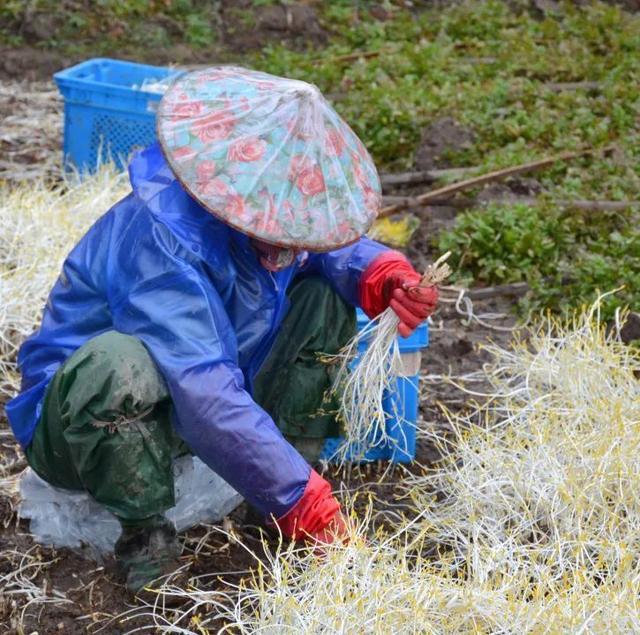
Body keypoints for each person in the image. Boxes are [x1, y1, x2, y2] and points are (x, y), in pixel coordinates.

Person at [5, 67, 438, 592]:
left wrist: (378, 273)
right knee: (119, 363)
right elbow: (202, 386)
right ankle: (144, 535)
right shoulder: (161, 239)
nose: (287, 244)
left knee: (322, 294)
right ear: (233, 194)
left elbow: (319, 246)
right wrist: (307, 503)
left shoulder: (262, 215)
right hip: (78, 430)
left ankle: (278, 484)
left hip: (183, 407)